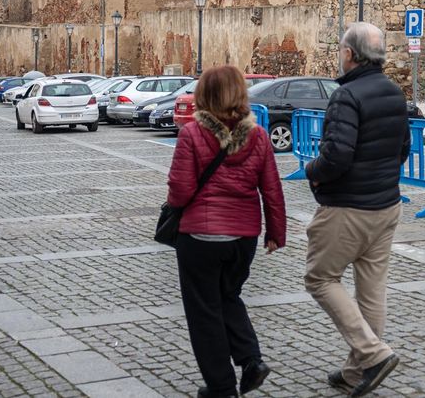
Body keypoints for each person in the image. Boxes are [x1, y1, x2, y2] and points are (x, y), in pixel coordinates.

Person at [304, 22, 411, 397]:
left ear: (349, 54)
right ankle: (356, 371)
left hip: (349, 208)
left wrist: (312, 172)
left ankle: (374, 354)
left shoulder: (346, 96)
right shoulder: (395, 93)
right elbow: (403, 151)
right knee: (372, 290)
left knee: (320, 278)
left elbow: (336, 155)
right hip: (387, 205)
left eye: (341, 50)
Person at [166, 65, 286, 397]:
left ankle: (221, 386)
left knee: (204, 310)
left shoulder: (192, 133)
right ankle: (251, 360)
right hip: (242, 238)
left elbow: (180, 189)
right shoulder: (260, 136)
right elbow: (272, 189)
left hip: (200, 238)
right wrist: (276, 232)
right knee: (228, 296)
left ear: (204, 95)